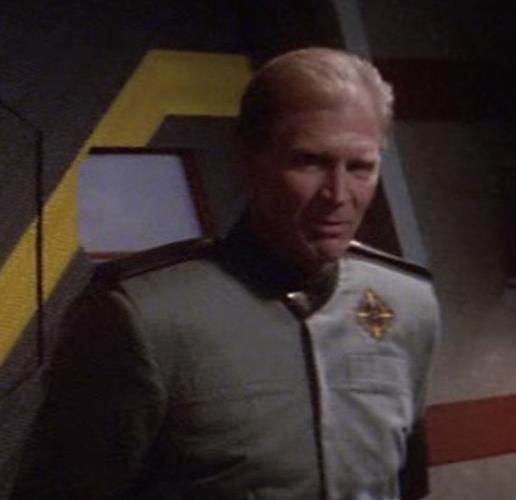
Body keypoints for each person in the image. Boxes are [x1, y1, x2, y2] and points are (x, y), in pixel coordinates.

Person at [12, 47, 440, 500]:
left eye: (360, 167)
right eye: (309, 161)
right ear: (248, 157)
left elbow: (406, 483)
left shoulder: (406, 301)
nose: (337, 195)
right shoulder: (145, 315)